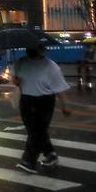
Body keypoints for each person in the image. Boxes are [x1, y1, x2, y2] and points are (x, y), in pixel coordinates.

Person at [13, 43, 72, 174]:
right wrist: (16, 81)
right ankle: (50, 154)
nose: (30, 50)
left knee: (37, 132)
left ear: (41, 50)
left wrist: (65, 105)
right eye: (29, 48)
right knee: (34, 131)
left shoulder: (51, 67)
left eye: (34, 48)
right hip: (26, 100)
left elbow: (60, 88)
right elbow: (15, 80)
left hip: (45, 101)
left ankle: (29, 161)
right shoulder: (20, 62)